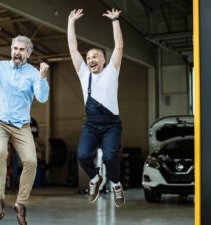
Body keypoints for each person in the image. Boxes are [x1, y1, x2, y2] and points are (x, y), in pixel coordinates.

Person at [0, 36, 50, 225]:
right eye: (15, 48)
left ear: (29, 53)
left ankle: (21, 204)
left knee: (31, 161)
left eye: (22, 49)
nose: (17, 52)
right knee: (0, 152)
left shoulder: (32, 73)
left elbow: (42, 97)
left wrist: (42, 77)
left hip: (22, 125)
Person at [67, 8, 125, 207]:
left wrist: (115, 21)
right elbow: (73, 49)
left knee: (110, 158)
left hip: (111, 125)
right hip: (91, 124)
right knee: (82, 155)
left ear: (103, 60)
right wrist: (70, 22)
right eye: (89, 57)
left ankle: (116, 184)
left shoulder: (111, 72)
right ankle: (94, 179)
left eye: (95, 56)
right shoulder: (84, 74)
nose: (90, 59)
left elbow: (118, 46)